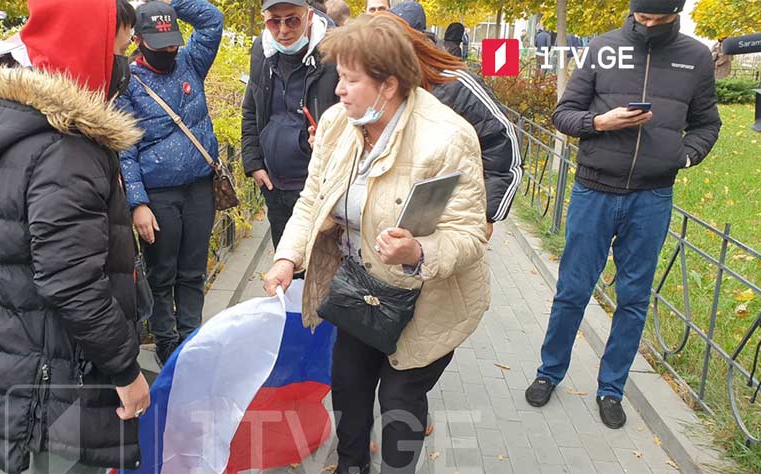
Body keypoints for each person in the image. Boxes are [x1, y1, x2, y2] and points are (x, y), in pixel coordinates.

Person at [263, 15, 490, 474]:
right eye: (339, 78)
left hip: (427, 303)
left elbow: (469, 236)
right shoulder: (336, 123)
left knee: (400, 407)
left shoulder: (446, 137)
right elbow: (312, 199)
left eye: (350, 80)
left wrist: (418, 253)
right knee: (348, 393)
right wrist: (288, 257)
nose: (339, 90)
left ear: (387, 86)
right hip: (359, 292)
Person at [0, 0, 150, 473]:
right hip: (48, 377)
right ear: (87, 51)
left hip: (16, 347)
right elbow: (70, 280)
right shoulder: (65, 148)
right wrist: (125, 370)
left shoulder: (19, 122)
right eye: (119, 49)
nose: (127, 60)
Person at [525, 0, 721, 430]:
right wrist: (601, 123)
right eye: (641, 18)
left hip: (651, 198)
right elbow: (563, 114)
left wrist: (685, 157)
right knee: (572, 291)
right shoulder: (603, 47)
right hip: (594, 190)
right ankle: (548, 372)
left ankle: (611, 388)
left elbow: (708, 122)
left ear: (675, 14)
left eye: (658, 19)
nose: (647, 26)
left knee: (633, 300)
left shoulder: (695, 57)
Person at [117, 0, 224, 365]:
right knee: (162, 272)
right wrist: (138, 203)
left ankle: (190, 338)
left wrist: (168, 5)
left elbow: (212, 21)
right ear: (140, 39)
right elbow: (125, 148)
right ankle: (166, 342)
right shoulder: (129, 81)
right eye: (160, 44)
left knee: (193, 271)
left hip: (199, 187)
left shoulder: (190, 63)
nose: (169, 50)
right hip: (158, 194)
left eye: (173, 42)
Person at [384, 5, 521, 237]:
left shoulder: (456, 84)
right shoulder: (380, 81)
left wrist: (487, 213)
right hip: (391, 218)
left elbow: (502, 140)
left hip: (451, 216)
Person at [242, 0, 338, 250]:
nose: (283, 31)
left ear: (308, 16)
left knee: (320, 273)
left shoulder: (335, 51)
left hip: (319, 187)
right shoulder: (261, 50)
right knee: (286, 270)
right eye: (274, 21)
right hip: (275, 187)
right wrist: (253, 163)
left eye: (292, 20)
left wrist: (330, 141)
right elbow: (251, 108)